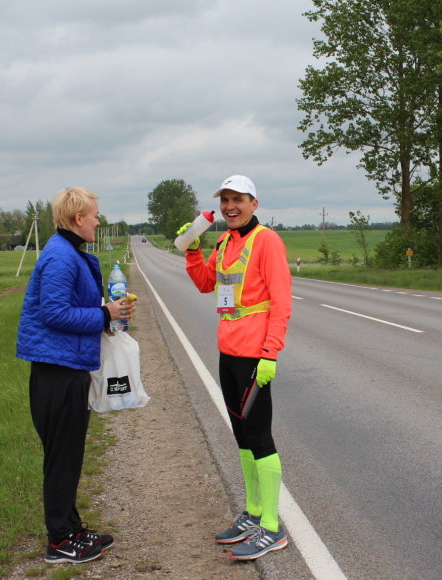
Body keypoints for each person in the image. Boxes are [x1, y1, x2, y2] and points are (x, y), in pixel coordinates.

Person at [16, 186, 136, 564]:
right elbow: (54, 314)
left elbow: (69, 307)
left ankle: (71, 529)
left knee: (68, 454)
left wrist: (106, 309)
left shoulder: (69, 253)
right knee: (62, 457)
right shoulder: (60, 257)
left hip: (69, 365)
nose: (99, 220)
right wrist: (104, 315)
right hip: (57, 370)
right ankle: (60, 540)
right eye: (94, 214)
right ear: (76, 218)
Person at [179, 175, 293, 561]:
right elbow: (206, 284)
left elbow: (281, 301)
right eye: (225, 199)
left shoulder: (268, 241)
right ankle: (254, 512)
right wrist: (193, 250)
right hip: (229, 350)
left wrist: (270, 353)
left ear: (253, 203)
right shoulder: (226, 240)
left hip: (254, 354)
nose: (230, 206)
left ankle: (273, 528)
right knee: (242, 437)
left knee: (260, 437)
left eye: (238, 199)